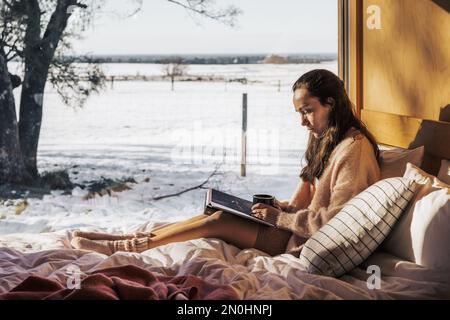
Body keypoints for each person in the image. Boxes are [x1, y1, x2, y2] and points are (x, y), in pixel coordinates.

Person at [71, 69, 381, 257]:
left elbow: (333, 224)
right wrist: (278, 208)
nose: (302, 122)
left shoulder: (354, 151)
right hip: (291, 228)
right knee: (218, 211)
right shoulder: (324, 138)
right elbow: (306, 205)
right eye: (298, 113)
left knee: (217, 223)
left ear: (331, 103)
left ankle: (124, 248)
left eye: (307, 111)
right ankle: (124, 239)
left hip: (300, 242)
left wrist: (279, 219)